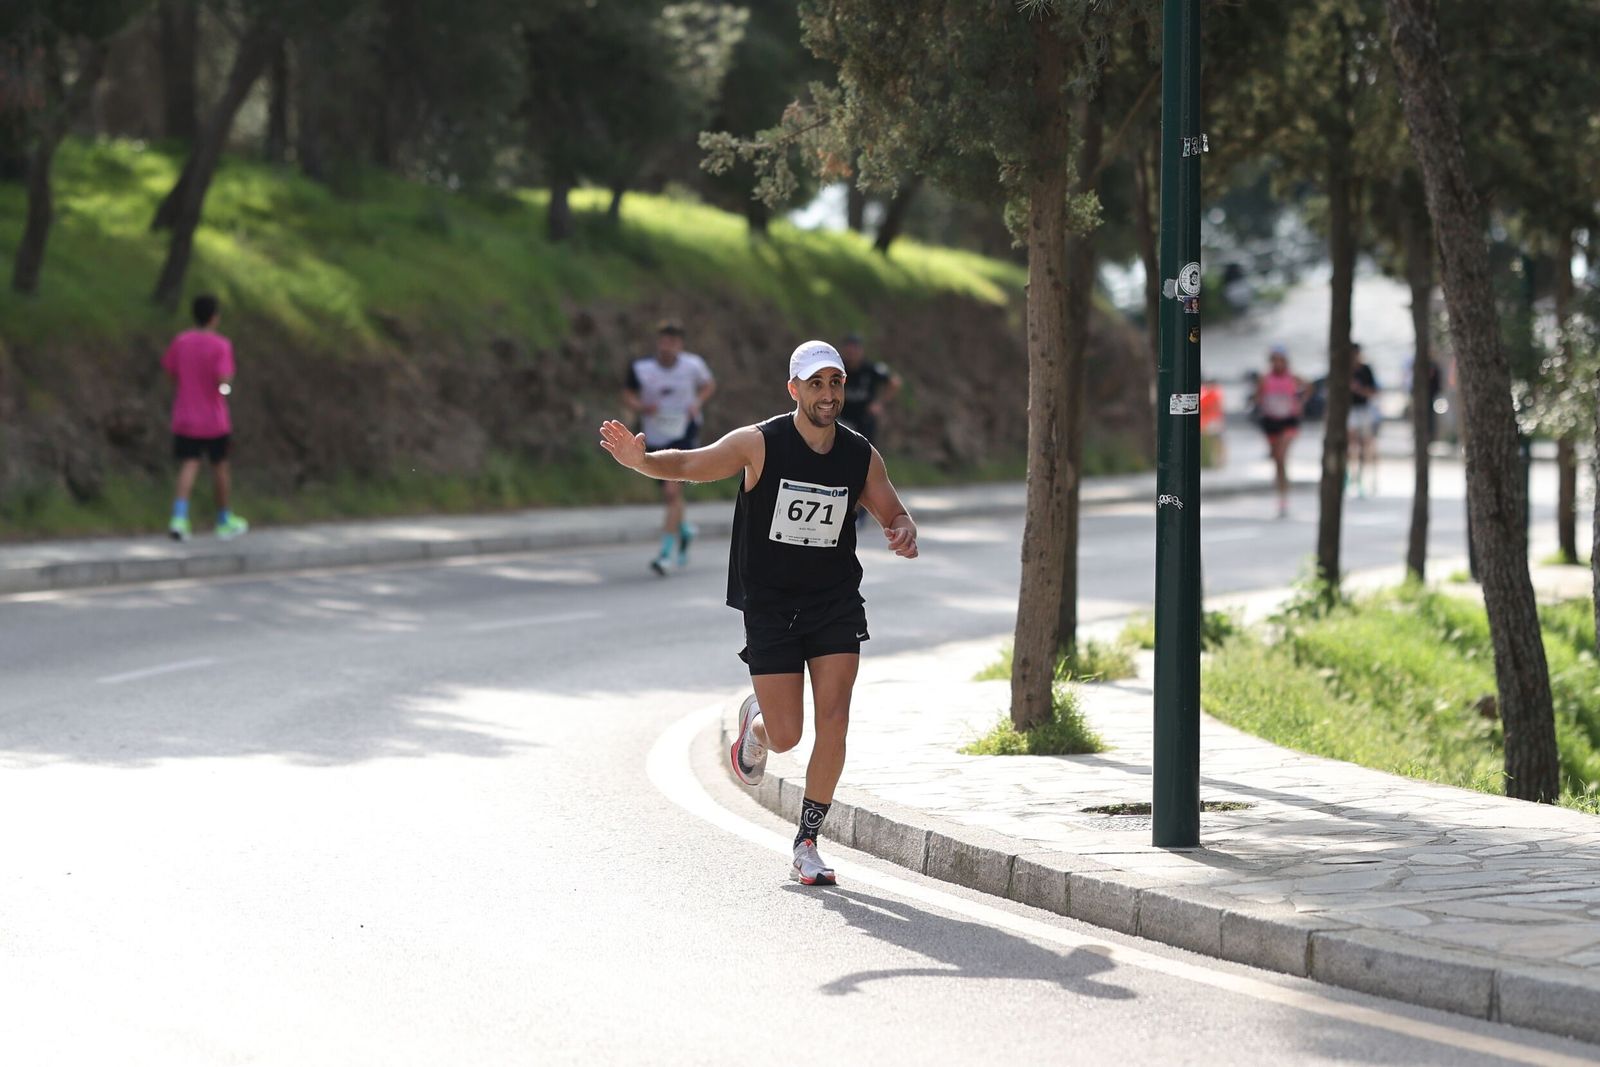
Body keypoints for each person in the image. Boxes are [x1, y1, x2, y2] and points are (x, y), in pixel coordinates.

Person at [599, 340, 919, 886]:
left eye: (835, 383)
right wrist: (644, 461)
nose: (827, 394)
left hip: (835, 600)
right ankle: (758, 724)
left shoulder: (860, 453)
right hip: (772, 606)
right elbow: (695, 465)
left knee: (836, 718)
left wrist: (903, 528)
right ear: (793, 389)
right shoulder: (759, 443)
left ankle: (807, 842)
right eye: (815, 384)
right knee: (789, 734)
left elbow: (890, 506)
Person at [621, 321, 716, 575]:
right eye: (664, 341)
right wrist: (641, 407)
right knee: (670, 494)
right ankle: (684, 531)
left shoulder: (693, 365)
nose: (668, 346)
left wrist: (697, 402)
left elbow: (709, 385)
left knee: (672, 493)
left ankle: (664, 554)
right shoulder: (642, 367)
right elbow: (628, 394)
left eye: (673, 342)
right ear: (658, 342)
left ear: (680, 345)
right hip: (653, 435)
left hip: (684, 432)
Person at [162, 294, 247, 541]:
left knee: (189, 464)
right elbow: (223, 382)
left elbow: (170, 373)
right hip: (214, 419)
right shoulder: (221, 346)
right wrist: (225, 390)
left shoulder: (181, 342)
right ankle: (223, 520)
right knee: (220, 467)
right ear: (214, 317)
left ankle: (179, 518)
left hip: (185, 415)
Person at [1251, 345, 1307, 519]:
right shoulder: (1264, 379)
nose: (1278, 363)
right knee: (1278, 462)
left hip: (1288, 422)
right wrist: (1264, 404)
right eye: (1275, 360)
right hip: (1271, 422)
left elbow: (1310, 387)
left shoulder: (1293, 377)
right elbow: (1256, 397)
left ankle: (1283, 498)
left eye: (1280, 359)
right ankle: (1281, 498)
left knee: (1281, 457)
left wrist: (1300, 403)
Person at [837, 332, 901, 446]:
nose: (851, 353)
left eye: (855, 350)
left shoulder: (870, 368)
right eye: (849, 350)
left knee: (864, 450)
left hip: (864, 418)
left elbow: (894, 382)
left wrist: (880, 403)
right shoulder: (838, 368)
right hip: (842, 416)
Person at [1348, 342, 1380, 498]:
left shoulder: (1366, 370)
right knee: (1351, 444)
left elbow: (1373, 391)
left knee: (1366, 444)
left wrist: (1359, 390)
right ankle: (1351, 475)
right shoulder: (1344, 370)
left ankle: (1367, 477)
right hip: (1350, 410)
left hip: (1364, 410)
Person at [1198, 379, 1226, 468]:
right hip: (1208, 421)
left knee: (1214, 441)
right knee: (1214, 441)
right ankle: (1214, 460)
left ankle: (1215, 461)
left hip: (1210, 421)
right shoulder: (1212, 393)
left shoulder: (1209, 393)